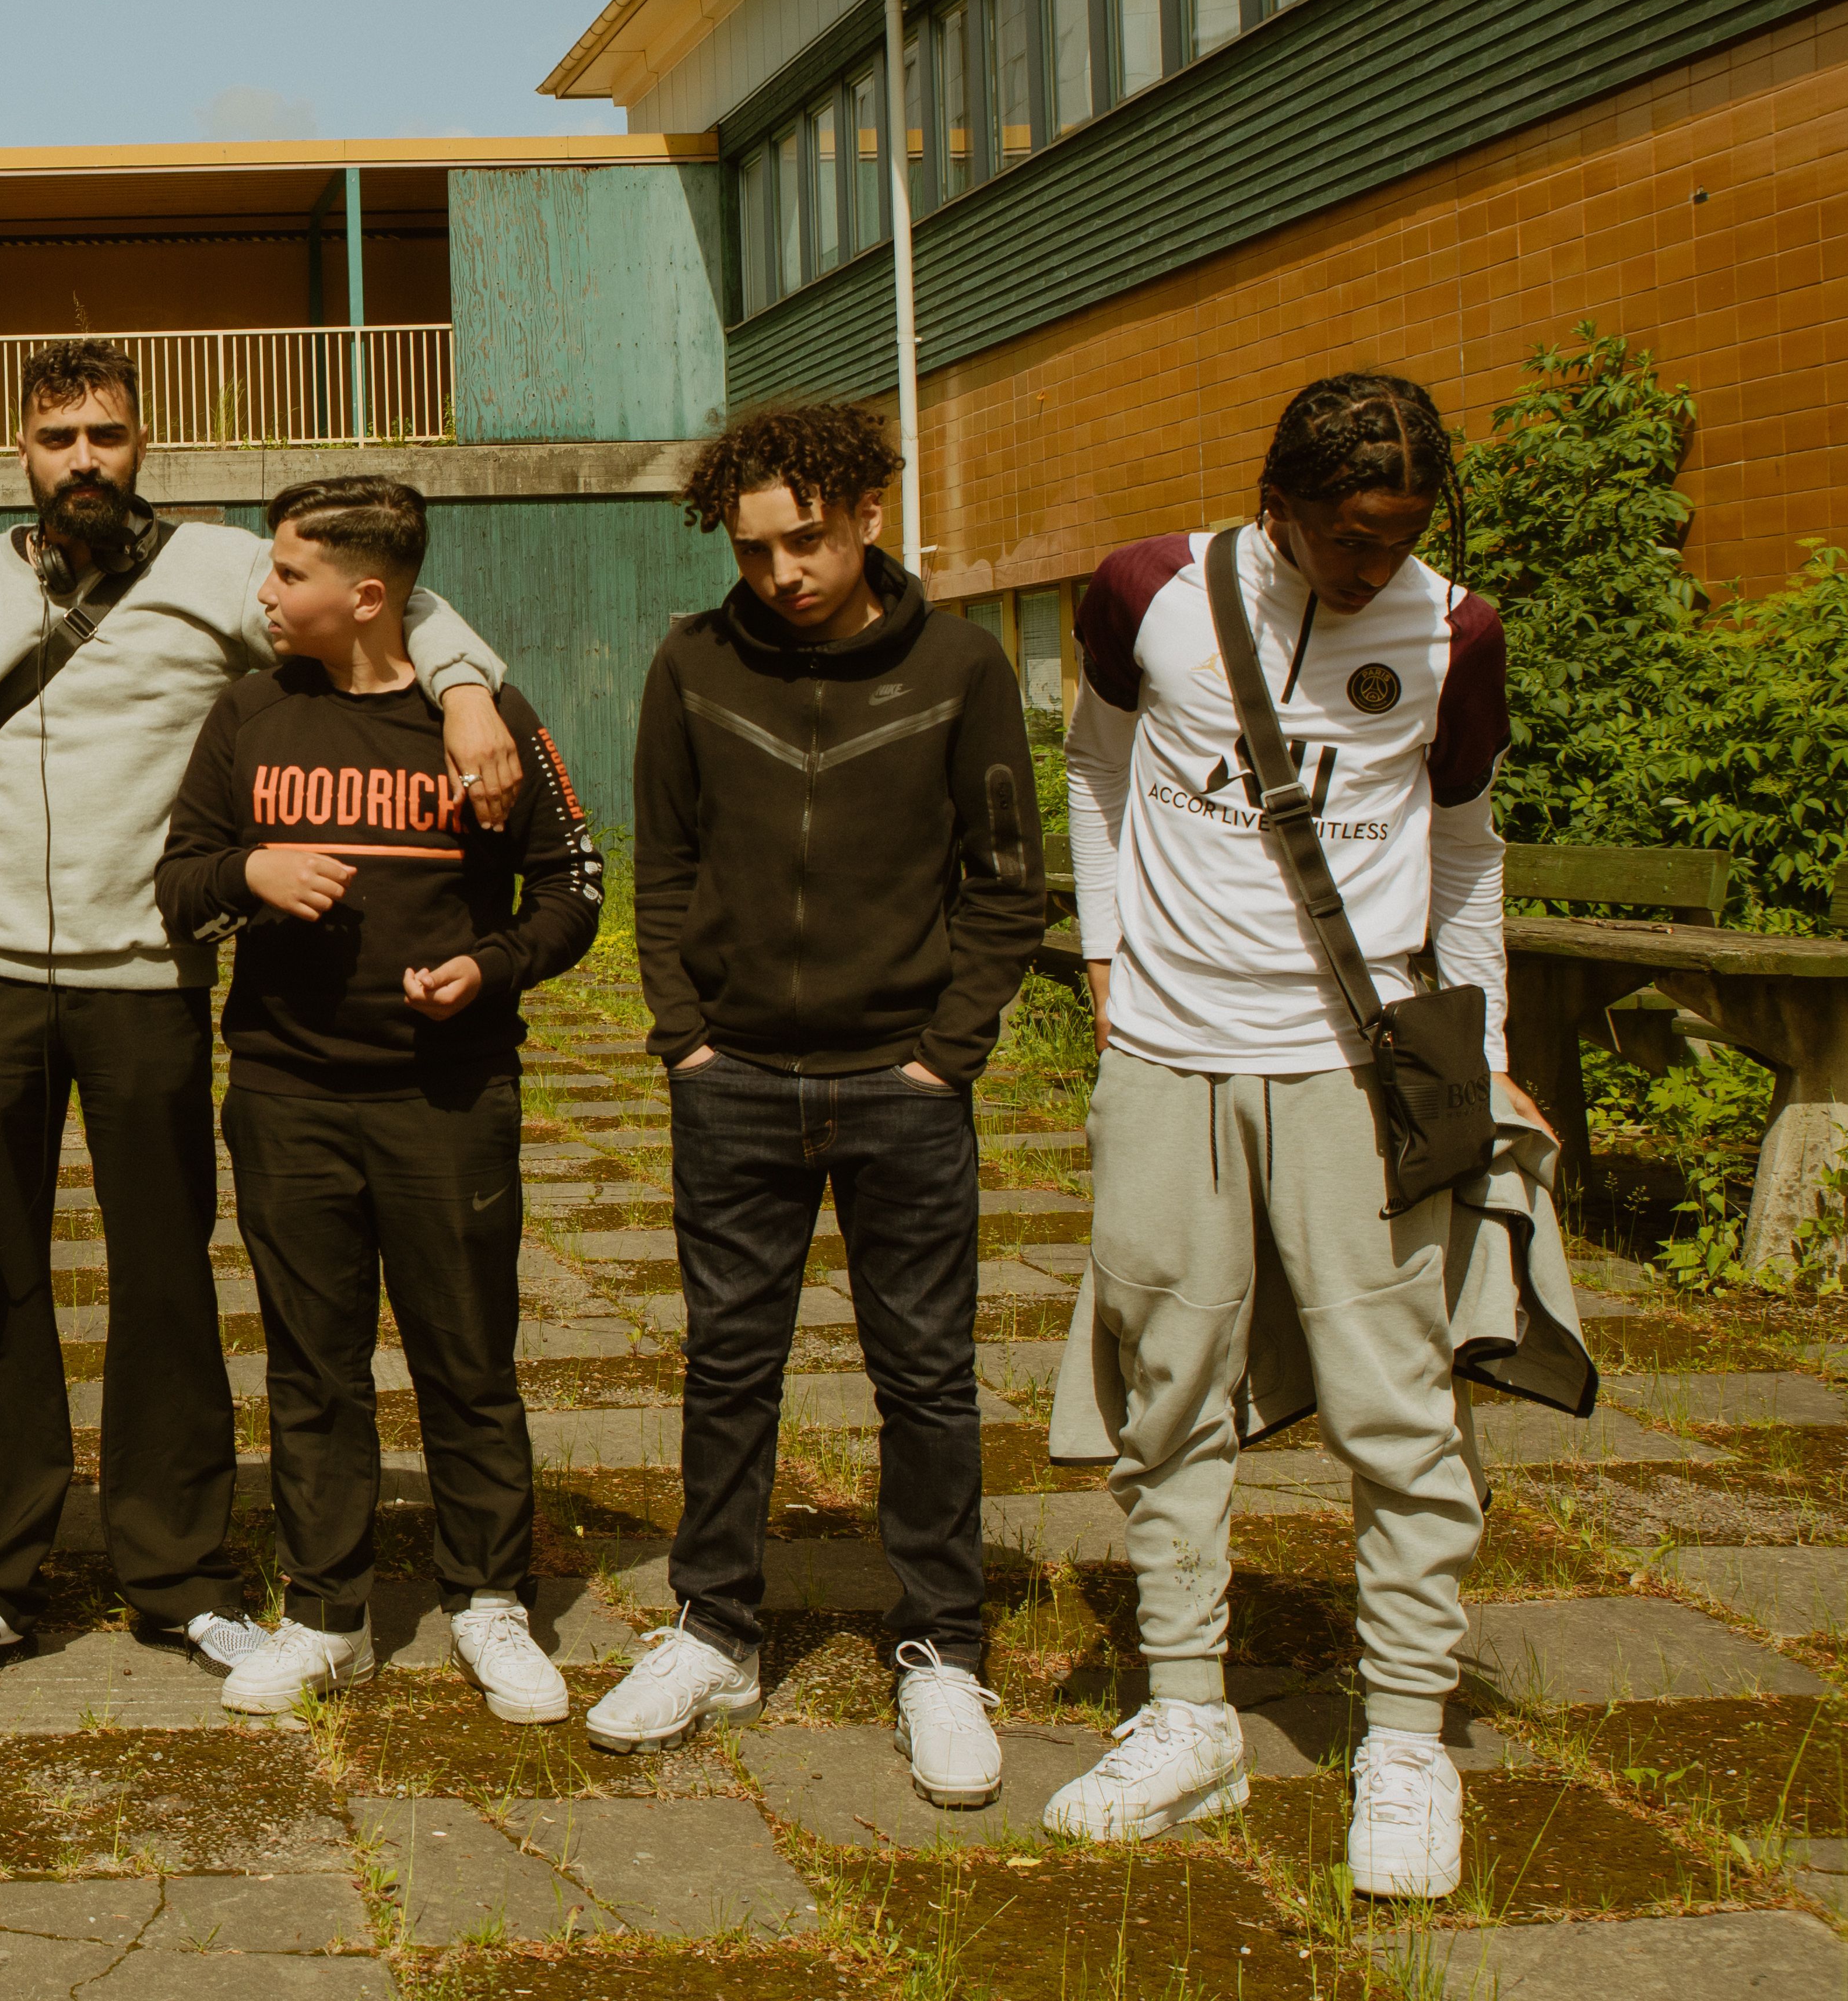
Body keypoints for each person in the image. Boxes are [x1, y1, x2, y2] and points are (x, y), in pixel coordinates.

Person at [0, 336, 526, 1698]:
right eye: (59, 438)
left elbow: (396, 601)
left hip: (149, 978)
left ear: (141, 442)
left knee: (167, 1278)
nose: (84, 459)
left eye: (106, 434)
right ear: (21, 450)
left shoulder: (226, 570)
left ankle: (176, 1574)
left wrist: (467, 689)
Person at [1043, 370, 1537, 1900]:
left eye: (1402, 535)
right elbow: (1097, 764)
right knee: (1168, 1388)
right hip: (1170, 1056)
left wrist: (1487, 1054)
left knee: (1399, 1406)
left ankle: (1405, 1738)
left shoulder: (1456, 630)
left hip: (1355, 1067)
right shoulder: (1147, 591)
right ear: (1279, 506)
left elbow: (1467, 849)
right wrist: (1108, 960)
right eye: (1349, 537)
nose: (1376, 565)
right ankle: (1189, 1713)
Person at [584, 402, 1046, 1805]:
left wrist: (947, 1053)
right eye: (755, 548)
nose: (782, 571)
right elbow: (665, 860)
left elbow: (1007, 880)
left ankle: (942, 1647)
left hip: (902, 1082)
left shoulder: (962, 666)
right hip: (734, 1080)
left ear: (867, 516)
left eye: (808, 539)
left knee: (926, 1374)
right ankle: (714, 1627)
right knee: (730, 1365)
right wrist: (685, 1038)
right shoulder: (693, 661)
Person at [155, 475, 601, 1722]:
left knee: (468, 1359)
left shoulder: (486, 719)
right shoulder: (249, 711)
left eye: (288, 572)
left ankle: (490, 1600)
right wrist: (252, 869)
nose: (264, 591)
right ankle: (326, 1616)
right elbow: (179, 881)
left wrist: (492, 967)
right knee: (313, 1366)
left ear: (365, 595)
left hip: (448, 1099)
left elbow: (573, 887)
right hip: (287, 1094)